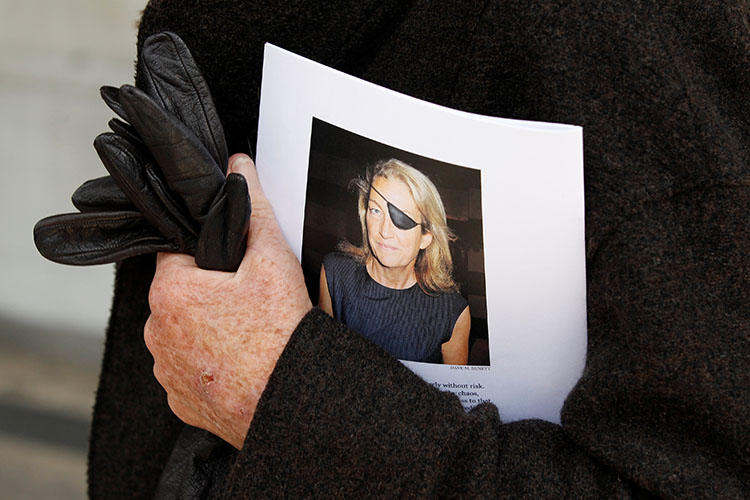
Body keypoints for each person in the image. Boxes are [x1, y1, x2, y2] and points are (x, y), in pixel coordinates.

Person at [87, 1, 748, 498]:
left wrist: (276, 393)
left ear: (430, 231)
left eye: (400, 215)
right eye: (371, 207)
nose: (380, 226)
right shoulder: (343, 273)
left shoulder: (648, 47)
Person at [319, 159, 471, 364]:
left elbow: (452, 392)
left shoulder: (451, 313)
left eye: (402, 218)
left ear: (426, 237)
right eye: (375, 211)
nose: (384, 231)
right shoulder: (335, 274)